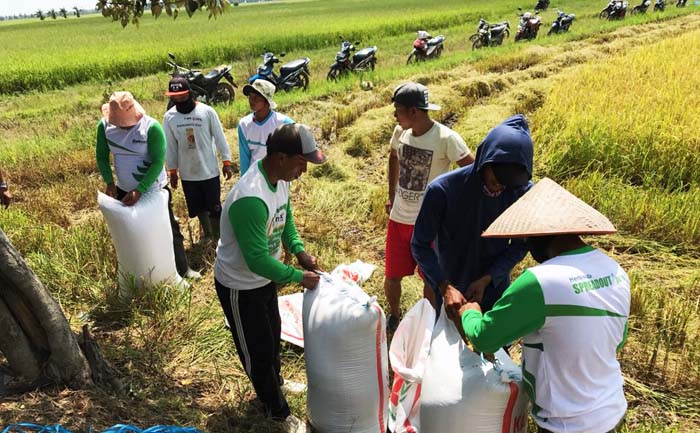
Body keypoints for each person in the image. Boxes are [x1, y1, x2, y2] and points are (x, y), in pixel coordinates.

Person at [456, 177, 630, 433]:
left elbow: (484, 339)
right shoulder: (615, 270)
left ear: (542, 234)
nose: (527, 245)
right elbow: (618, 339)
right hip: (611, 410)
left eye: (528, 237)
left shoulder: (540, 282)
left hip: (567, 423)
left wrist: (469, 313)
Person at [214, 123, 326, 433]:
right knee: (257, 351)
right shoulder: (251, 197)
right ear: (279, 157)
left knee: (272, 334)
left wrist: (299, 251)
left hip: (263, 279)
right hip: (239, 283)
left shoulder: (281, 180)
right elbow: (257, 260)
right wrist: (296, 275)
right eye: (301, 162)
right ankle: (277, 412)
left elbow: (285, 219)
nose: (303, 170)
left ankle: (275, 384)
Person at [411, 114, 533, 319]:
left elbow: (521, 244)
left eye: (508, 184)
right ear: (485, 161)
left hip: (495, 285)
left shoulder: (520, 192)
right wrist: (444, 285)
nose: (501, 187)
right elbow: (420, 245)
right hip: (452, 288)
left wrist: (489, 278)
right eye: (496, 179)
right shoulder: (443, 191)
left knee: (495, 345)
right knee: (452, 345)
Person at [384, 82, 474, 331]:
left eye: (398, 110)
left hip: (429, 225)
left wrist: (452, 205)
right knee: (392, 276)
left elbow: (472, 170)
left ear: (414, 111)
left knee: (432, 279)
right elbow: (393, 156)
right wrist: (391, 194)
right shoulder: (400, 132)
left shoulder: (446, 138)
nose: (394, 115)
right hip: (399, 219)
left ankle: (429, 323)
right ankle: (394, 315)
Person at [96, 91, 200, 279]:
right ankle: (142, 274)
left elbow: (158, 161)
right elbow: (102, 157)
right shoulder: (104, 127)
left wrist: (140, 189)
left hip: (153, 190)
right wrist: (110, 183)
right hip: (123, 190)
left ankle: (183, 269)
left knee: (169, 230)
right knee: (133, 234)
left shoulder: (151, 128)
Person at [163, 77, 233, 240]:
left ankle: (218, 236)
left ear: (189, 93)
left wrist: (226, 162)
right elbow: (171, 147)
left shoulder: (207, 112)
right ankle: (208, 234)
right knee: (197, 207)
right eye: (175, 97)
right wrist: (172, 171)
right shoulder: (169, 118)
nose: (179, 99)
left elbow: (220, 137)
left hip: (209, 171)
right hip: (188, 173)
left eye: (182, 95)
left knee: (214, 207)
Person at [238, 79, 293, 175]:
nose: (252, 101)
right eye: (250, 97)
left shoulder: (284, 123)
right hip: (254, 177)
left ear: (267, 101)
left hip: (278, 177)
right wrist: (244, 181)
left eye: (256, 98)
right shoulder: (244, 125)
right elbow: (244, 158)